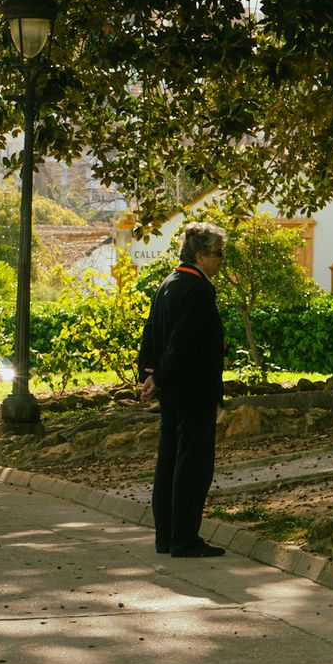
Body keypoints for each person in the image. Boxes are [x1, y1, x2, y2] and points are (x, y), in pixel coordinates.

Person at [136, 221, 228, 557]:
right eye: (218, 254)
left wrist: (148, 373)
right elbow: (182, 342)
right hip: (194, 389)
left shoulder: (168, 284)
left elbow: (152, 332)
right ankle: (184, 538)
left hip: (174, 389)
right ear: (201, 256)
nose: (221, 261)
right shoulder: (197, 289)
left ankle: (167, 535)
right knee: (193, 464)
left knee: (169, 460)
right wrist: (158, 377)